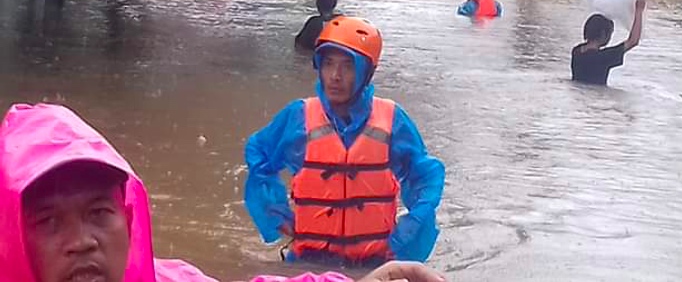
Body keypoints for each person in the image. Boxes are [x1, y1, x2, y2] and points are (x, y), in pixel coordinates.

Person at [0, 102, 446, 282]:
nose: (82, 241)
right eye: (49, 222)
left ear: (129, 218)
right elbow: (261, 157)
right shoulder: (299, 117)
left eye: (99, 213)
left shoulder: (171, 279)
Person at [245, 17, 445, 268]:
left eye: (347, 66)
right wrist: (276, 214)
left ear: (366, 72)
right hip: (308, 263)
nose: (335, 76)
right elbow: (259, 154)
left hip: (372, 265)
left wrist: (412, 227)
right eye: (328, 64)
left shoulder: (392, 120)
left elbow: (426, 178)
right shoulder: (298, 117)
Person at [571, 0, 647, 85]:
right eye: (611, 33)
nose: (610, 37)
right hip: (596, 95)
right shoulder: (603, 57)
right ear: (603, 34)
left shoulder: (576, 51)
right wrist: (639, 11)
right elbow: (633, 41)